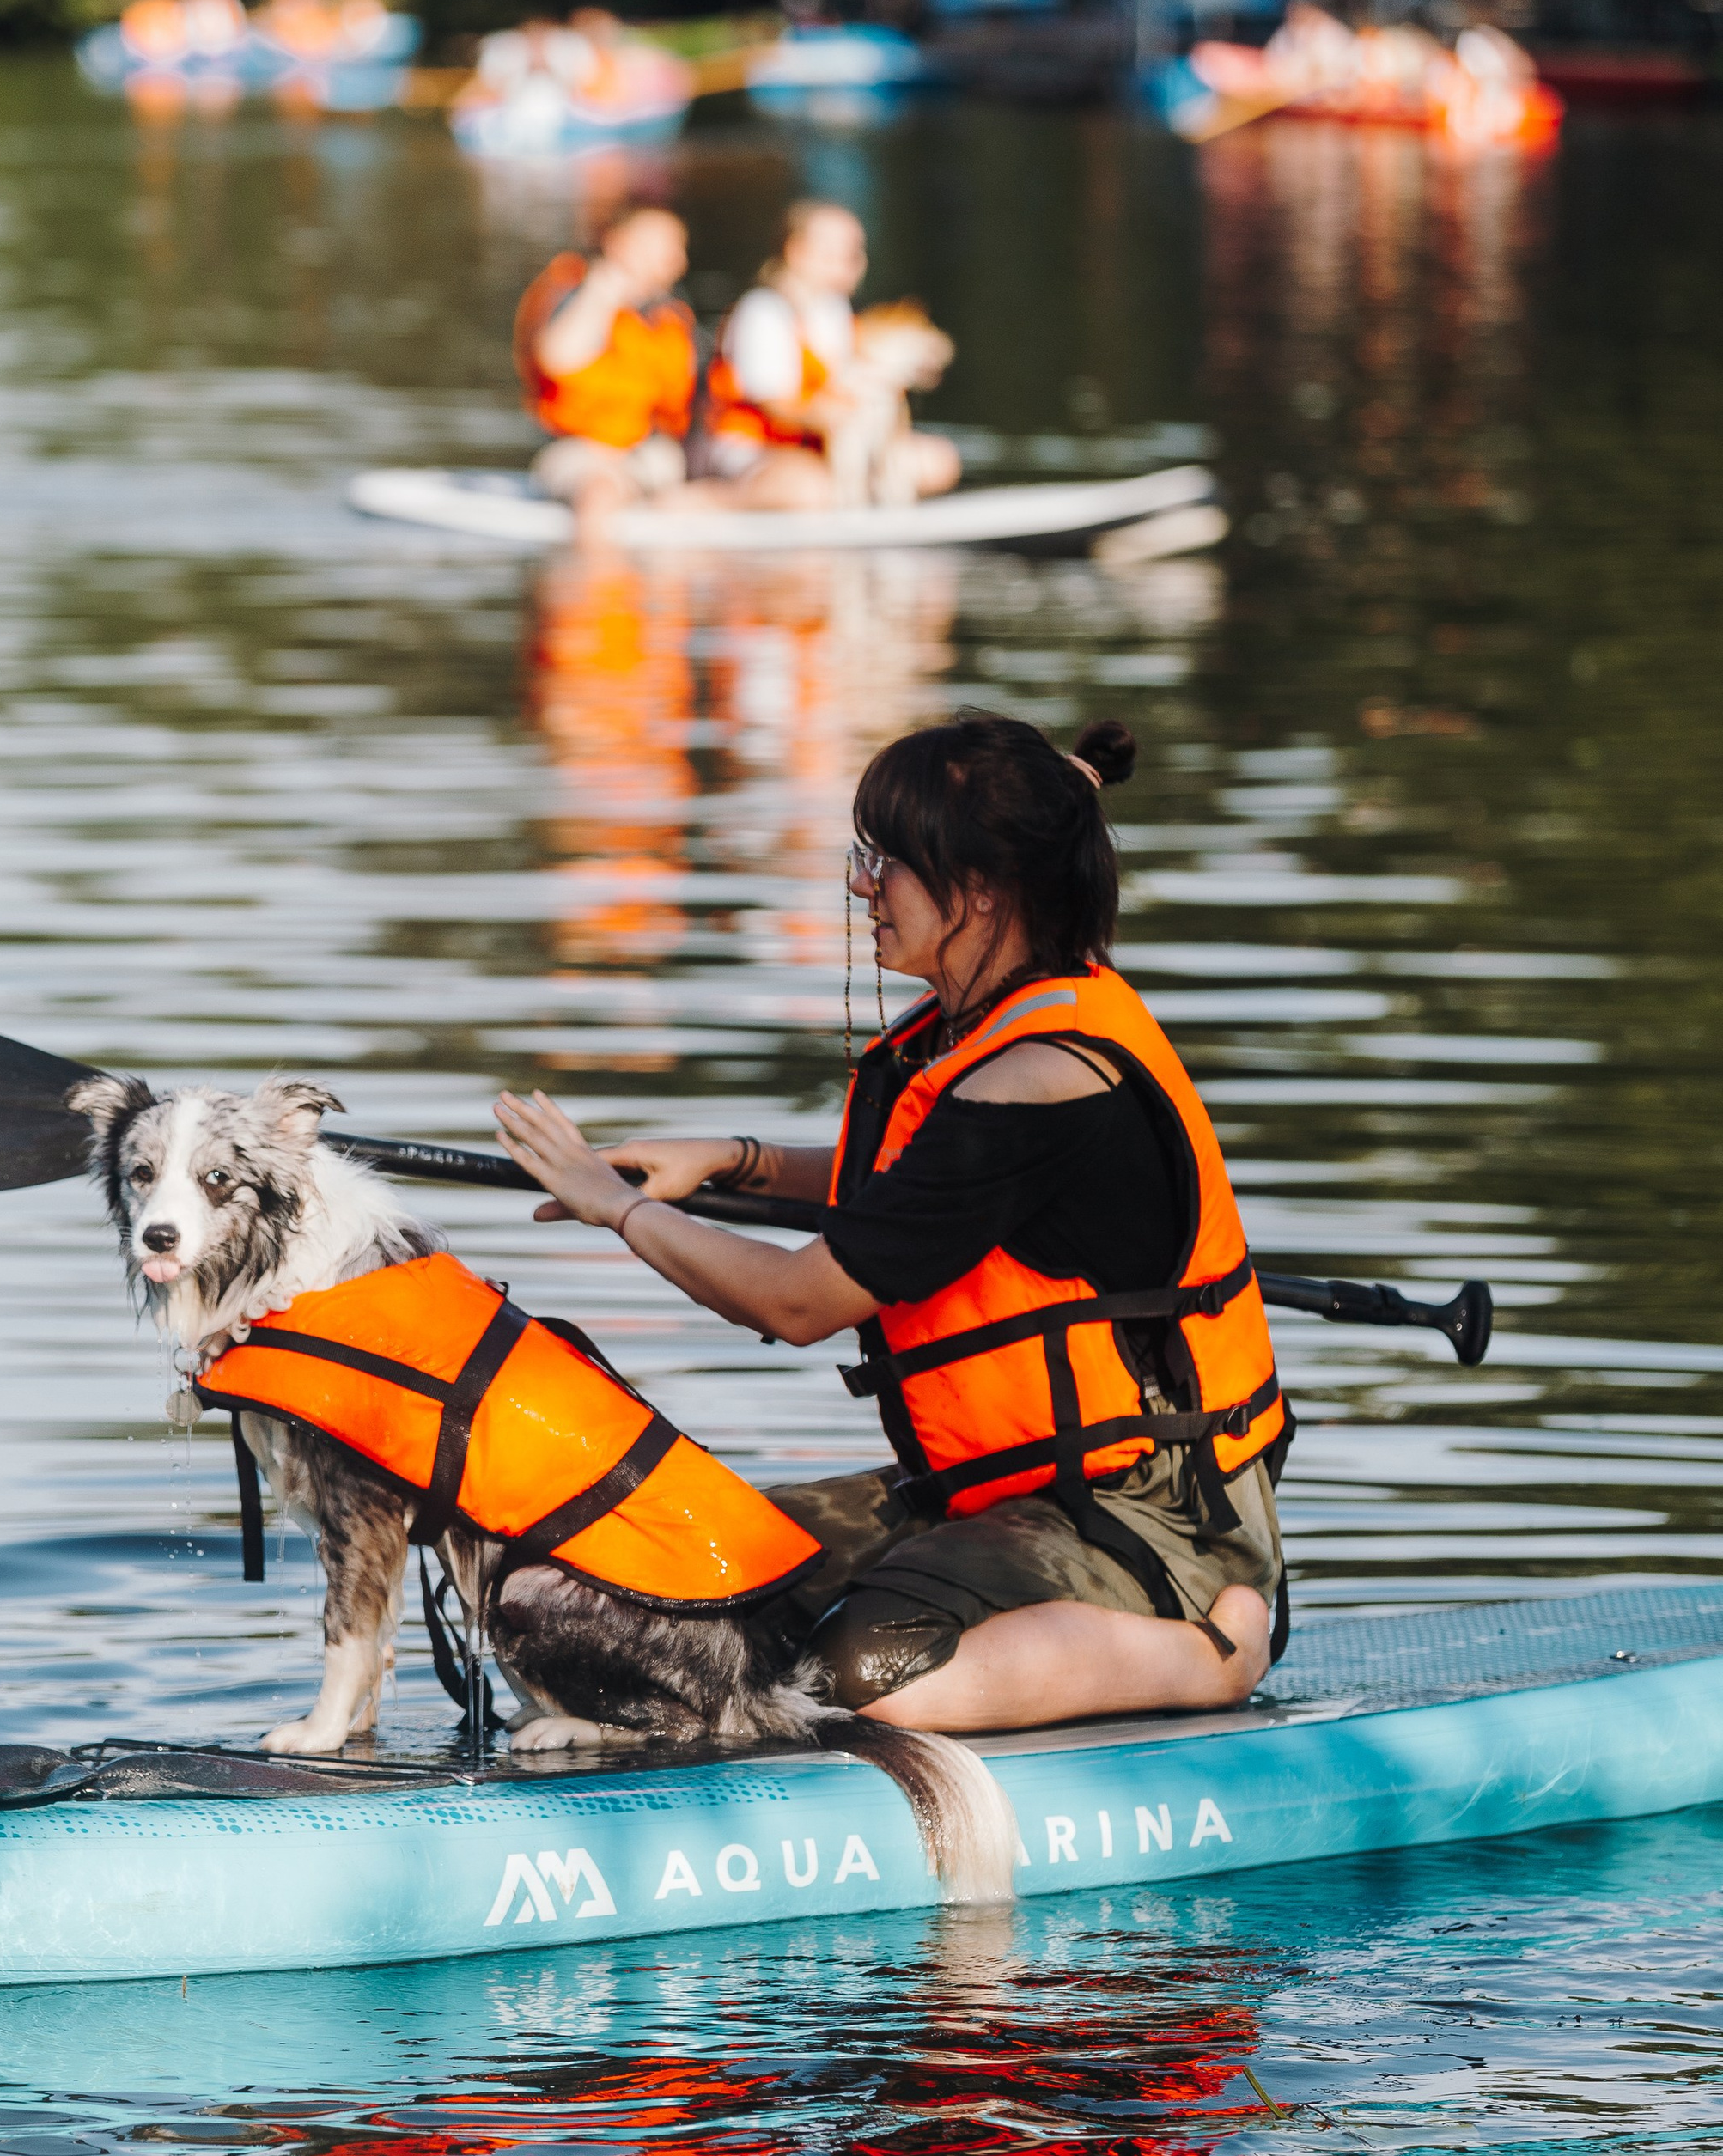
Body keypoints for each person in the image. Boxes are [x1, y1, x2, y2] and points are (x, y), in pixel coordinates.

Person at [491, 710, 1289, 1737]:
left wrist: (621, 1212)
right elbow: (913, 1192)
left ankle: (1205, 1657)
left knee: (857, 1677)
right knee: (604, 1579)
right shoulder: (980, 1030)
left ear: (983, 887)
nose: (862, 887)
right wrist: (731, 1164)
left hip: (1151, 1516)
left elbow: (797, 1302)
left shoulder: (1046, 1074)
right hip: (990, 1489)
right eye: (863, 857)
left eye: (887, 862)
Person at [703, 200, 961, 510]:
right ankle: (709, 501)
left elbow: (859, 383)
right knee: (810, 490)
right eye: (840, 250)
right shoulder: (763, 310)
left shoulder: (835, 310)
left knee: (939, 462)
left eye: (857, 251)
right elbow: (775, 404)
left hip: (824, 447)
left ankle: (856, 501)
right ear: (796, 251)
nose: (855, 261)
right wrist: (842, 417)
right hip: (756, 450)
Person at [514, 205, 703, 538]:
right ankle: (596, 584)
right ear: (616, 243)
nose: (670, 255)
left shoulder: (671, 314)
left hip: (650, 454)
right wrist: (602, 292)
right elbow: (558, 358)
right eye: (655, 243)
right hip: (577, 450)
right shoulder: (574, 290)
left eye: (675, 246)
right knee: (599, 493)